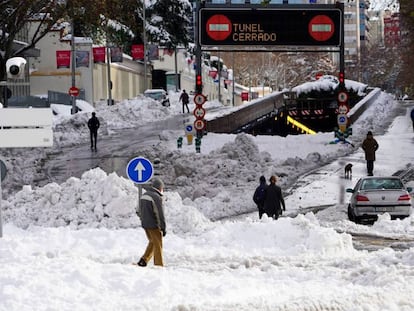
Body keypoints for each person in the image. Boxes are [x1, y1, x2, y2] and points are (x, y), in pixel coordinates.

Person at [136, 177, 166, 267]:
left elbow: (138, 210)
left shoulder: (144, 195)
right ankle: (158, 265)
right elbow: (160, 214)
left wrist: (143, 219)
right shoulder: (156, 197)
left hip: (145, 224)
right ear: (159, 187)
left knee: (153, 242)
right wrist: (162, 227)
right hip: (154, 225)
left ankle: (144, 260)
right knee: (158, 245)